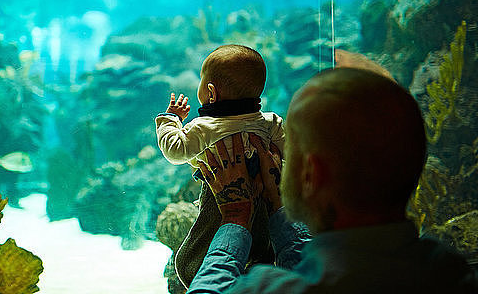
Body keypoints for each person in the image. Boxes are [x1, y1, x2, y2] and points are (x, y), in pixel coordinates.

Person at [187, 67, 478, 293]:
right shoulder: (451, 271)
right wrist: (277, 205)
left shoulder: (270, 288)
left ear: (312, 175)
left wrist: (236, 218)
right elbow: (323, 268)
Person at [155, 44, 293, 287]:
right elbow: (289, 152)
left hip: (220, 198)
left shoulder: (204, 128)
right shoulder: (271, 122)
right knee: (262, 241)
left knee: (192, 258)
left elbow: (175, 151)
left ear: (210, 92)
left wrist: (170, 120)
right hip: (265, 199)